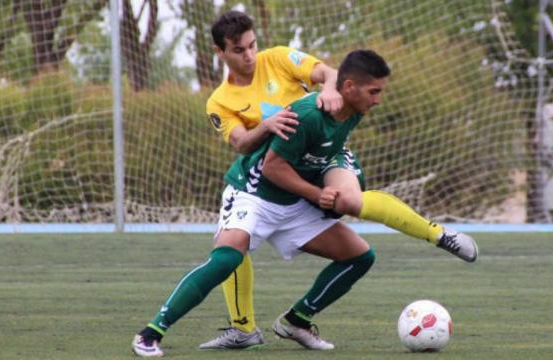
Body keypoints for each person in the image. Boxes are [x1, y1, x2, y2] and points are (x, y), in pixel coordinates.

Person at [201, 10, 479, 350]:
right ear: (221, 53)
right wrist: (268, 126)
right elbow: (242, 143)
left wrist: (330, 89)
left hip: (324, 153)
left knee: (349, 201)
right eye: (239, 50)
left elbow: (328, 72)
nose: (249, 55)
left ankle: (440, 234)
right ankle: (244, 328)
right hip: (277, 172)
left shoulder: (277, 58)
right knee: (235, 242)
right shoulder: (219, 100)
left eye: (252, 45)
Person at [132, 49, 391, 357]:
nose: (378, 99)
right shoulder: (308, 114)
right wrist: (315, 194)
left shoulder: (355, 111)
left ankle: (297, 320)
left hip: (292, 201)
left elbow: (326, 83)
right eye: (374, 91)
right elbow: (272, 167)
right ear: (350, 87)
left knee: (360, 257)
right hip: (253, 193)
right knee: (227, 259)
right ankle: (150, 333)